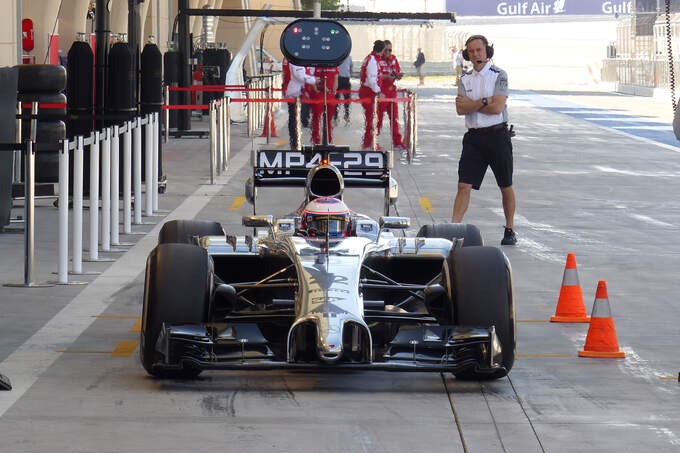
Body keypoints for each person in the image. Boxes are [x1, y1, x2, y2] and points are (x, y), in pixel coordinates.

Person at [452, 35, 517, 246]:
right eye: (471, 51)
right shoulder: (464, 79)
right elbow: (460, 109)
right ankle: (453, 229)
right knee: (463, 185)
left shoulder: (500, 75)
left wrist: (474, 104)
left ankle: (509, 228)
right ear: (466, 54)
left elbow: (498, 107)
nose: (475, 55)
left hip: (497, 135)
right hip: (474, 139)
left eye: (479, 50)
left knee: (505, 184)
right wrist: (484, 101)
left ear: (487, 51)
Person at [377, 40, 405, 150]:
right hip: (381, 91)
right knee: (377, 119)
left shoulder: (393, 59)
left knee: (395, 118)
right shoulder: (377, 59)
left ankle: (397, 142)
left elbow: (396, 71)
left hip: (392, 91)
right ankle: (373, 141)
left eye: (390, 50)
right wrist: (386, 77)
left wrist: (397, 75)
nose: (388, 52)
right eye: (386, 50)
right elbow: (376, 76)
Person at [284, 58, 316, 149]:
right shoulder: (295, 61)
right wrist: (314, 80)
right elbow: (300, 76)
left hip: (295, 91)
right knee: (294, 118)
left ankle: (295, 141)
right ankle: (294, 142)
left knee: (294, 118)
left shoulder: (290, 59)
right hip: (294, 92)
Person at [359, 40, 385, 150]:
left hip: (369, 92)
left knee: (372, 118)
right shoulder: (373, 61)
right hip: (369, 93)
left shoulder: (370, 58)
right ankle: (369, 143)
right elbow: (371, 80)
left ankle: (369, 142)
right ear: (382, 50)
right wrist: (379, 92)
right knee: (372, 119)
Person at [310, 65, 339, 145]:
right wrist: (333, 91)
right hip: (325, 96)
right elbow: (336, 80)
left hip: (322, 96)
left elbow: (311, 78)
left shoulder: (316, 64)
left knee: (319, 120)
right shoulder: (333, 64)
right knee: (323, 120)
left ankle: (319, 140)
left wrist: (316, 89)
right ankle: (324, 140)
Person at [334, 54, 353, 125]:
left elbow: (351, 68)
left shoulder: (349, 57)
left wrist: (348, 75)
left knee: (347, 99)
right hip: (338, 79)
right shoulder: (337, 56)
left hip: (346, 79)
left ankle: (347, 115)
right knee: (336, 99)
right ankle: (335, 117)